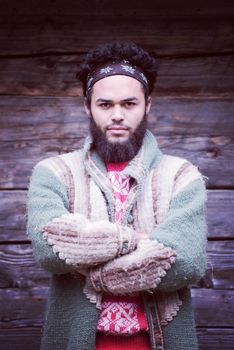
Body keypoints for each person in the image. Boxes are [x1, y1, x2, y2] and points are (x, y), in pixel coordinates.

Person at [27, 42, 207, 350]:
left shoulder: (181, 175)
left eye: (129, 103)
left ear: (147, 104)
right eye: (105, 104)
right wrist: (135, 241)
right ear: (88, 107)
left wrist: (91, 267)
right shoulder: (54, 172)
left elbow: (186, 262)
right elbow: (49, 249)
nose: (118, 115)